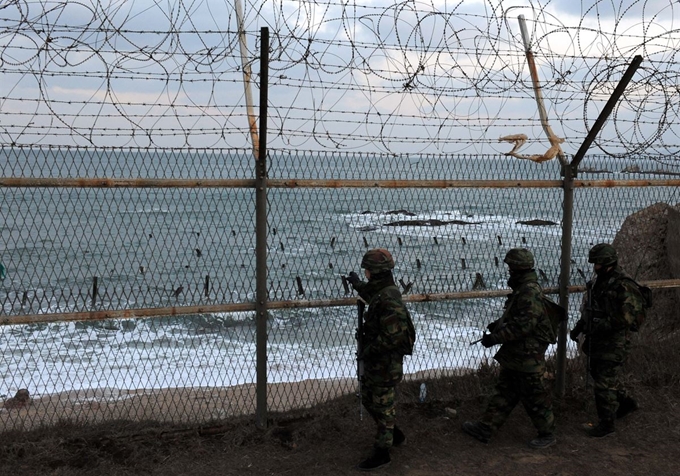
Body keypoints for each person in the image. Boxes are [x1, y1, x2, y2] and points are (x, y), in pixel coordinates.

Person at [462, 248, 557, 449]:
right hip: (518, 352)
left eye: (510, 267)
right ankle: (486, 428)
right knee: (505, 391)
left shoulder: (529, 291)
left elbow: (524, 326)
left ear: (516, 268)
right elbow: (518, 317)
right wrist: (498, 324)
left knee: (534, 394)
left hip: (528, 353)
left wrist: (495, 338)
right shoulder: (524, 288)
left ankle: (547, 433)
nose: (508, 271)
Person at [347, 248, 416, 471]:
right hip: (380, 360)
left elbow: (393, 337)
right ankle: (393, 433)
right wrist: (357, 284)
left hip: (386, 362)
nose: (365, 273)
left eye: (366, 270)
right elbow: (370, 294)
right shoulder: (383, 289)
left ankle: (382, 452)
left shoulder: (389, 299)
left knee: (383, 404)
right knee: (368, 397)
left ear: (374, 272)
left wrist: (369, 350)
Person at [569, 243, 645, 438]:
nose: (595, 267)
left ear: (607, 263)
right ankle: (626, 403)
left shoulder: (623, 285)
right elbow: (591, 309)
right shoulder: (599, 282)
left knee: (603, 382)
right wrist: (579, 327)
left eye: (597, 263)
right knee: (600, 374)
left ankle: (606, 424)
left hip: (615, 340)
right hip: (599, 339)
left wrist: (601, 325)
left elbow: (627, 317)